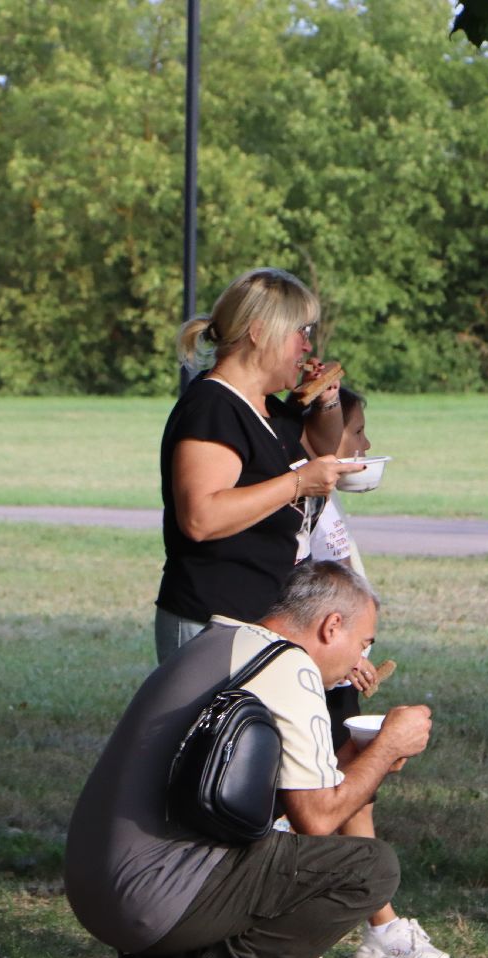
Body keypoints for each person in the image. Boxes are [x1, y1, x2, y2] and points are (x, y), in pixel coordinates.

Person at [65, 561, 434, 958]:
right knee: (370, 867)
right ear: (331, 626)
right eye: (365, 643)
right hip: (151, 898)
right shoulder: (290, 665)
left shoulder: (221, 642)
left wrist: (357, 761)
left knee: (271, 843)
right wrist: (388, 746)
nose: (361, 661)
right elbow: (318, 820)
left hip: (100, 889)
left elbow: (232, 801)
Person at [308, 390, 452, 958]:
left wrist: (357, 652)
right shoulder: (303, 498)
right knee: (324, 785)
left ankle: (379, 922)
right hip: (312, 663)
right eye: (357, 432)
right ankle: (314, 920)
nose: (364, 446)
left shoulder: (327, 505)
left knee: (353, 781)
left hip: (337, 662)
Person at [155, 267, 358, 662]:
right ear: (259, 332)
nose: (306, 347)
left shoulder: (267, 407)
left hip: (256, 618)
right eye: (301, 332)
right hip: (211, 620)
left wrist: (327, 398)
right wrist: (298, 484)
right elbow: (200, 518)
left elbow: (321, 445)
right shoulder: (213, 407)